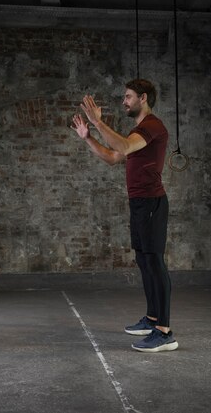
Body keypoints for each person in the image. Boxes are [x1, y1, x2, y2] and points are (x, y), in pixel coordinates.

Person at [70, 79, 178, 352]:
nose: (123, 101)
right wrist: (89, 137)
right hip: (140, 204)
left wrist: (97, 122)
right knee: (144, 260)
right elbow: (112, 156)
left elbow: (125, 148)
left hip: (152, 202)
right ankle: (153, 318)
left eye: (128, 97)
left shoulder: (152, 126)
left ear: (143, 98)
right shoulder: (137, 132)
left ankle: (164, 332)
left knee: (154, 262)